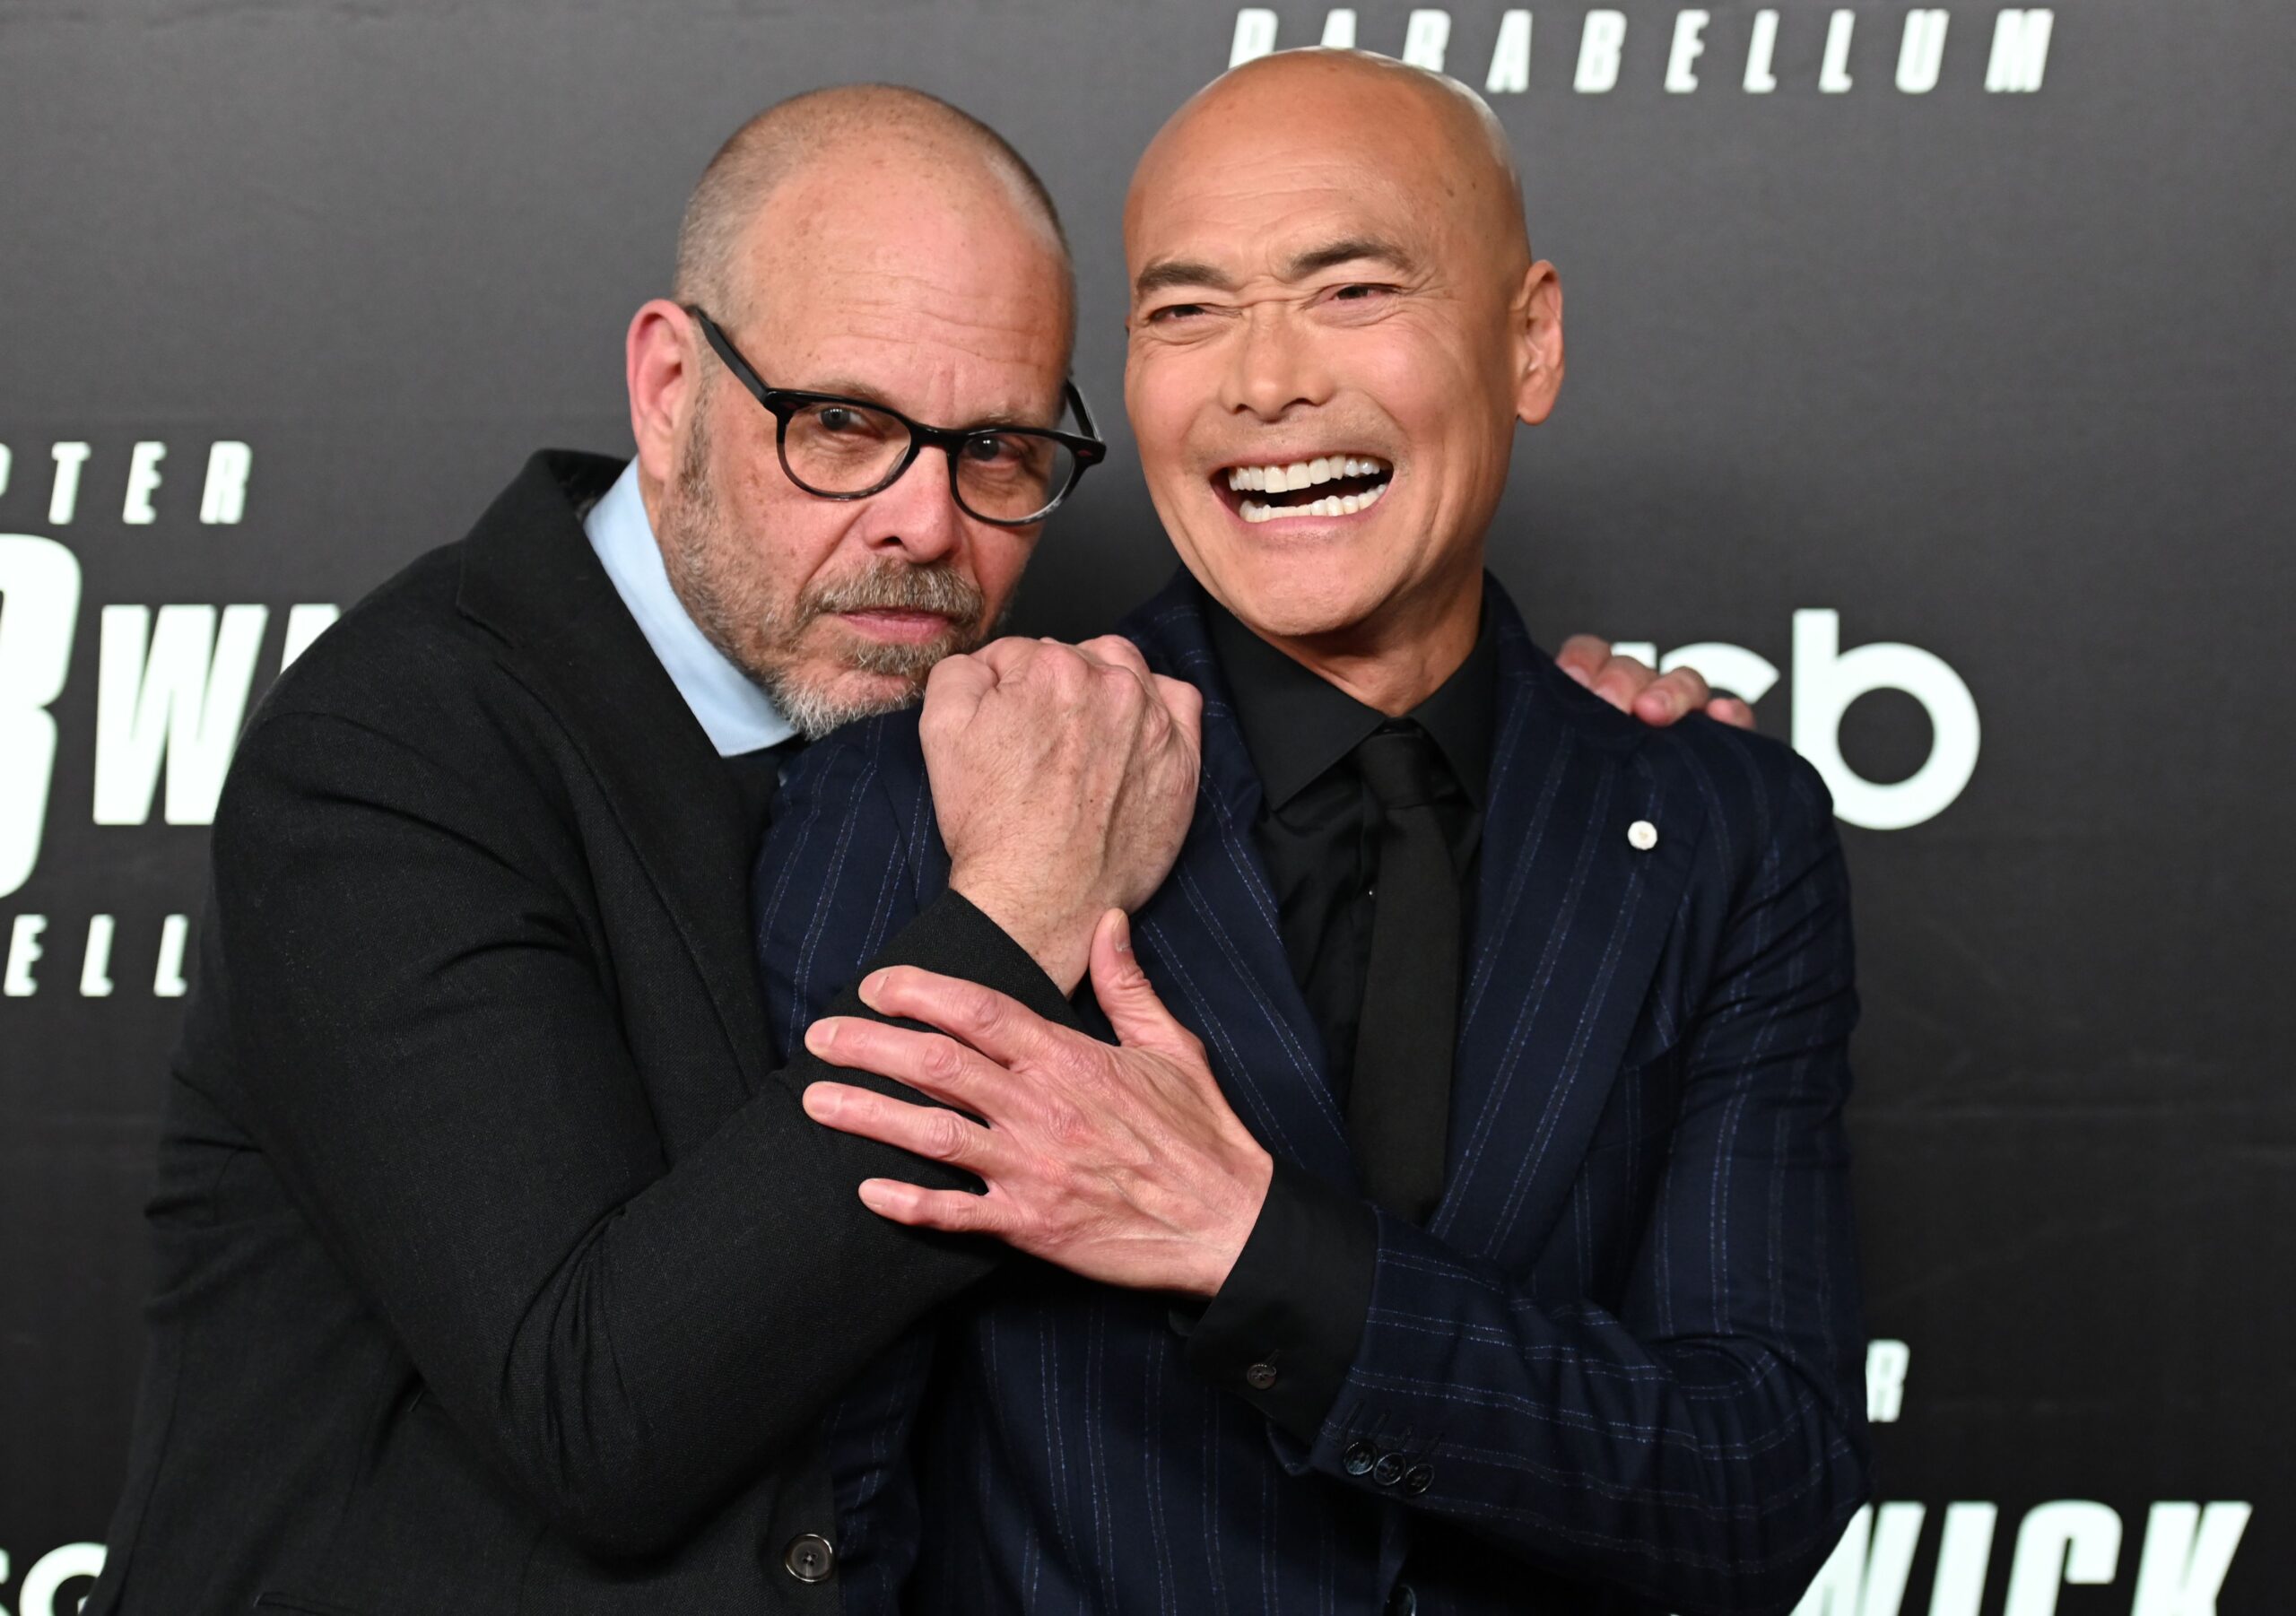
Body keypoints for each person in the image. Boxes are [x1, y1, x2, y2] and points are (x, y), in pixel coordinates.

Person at [85, 84, 1716, 1615]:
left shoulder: (938, 705)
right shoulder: (398, 745)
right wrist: (1018, 914)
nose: (926, 525)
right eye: (843, 425)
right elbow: (602, 1410)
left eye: (1000, 451)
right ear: (669, 388)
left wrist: (1521, 744)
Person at [766, 52, 1868, 1616]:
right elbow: (819, 1500)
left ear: (1529, 339)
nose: (1262, 380)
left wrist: (1247, 1241)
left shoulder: (1718, 828)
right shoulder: (930, 790)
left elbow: (1758, 1483)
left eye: (1349, 290)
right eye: (1185, 310)